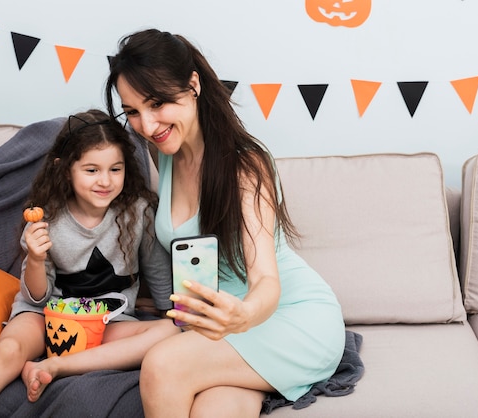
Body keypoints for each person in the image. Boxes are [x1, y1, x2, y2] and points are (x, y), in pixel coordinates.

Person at [105, 29, 346, 417]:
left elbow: (265, 278)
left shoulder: (246, 166)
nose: (147, 125)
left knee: (162, 364)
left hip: (286, 317)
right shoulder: (162, 150)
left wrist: (244, 315)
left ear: (193, 84)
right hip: (219, 326)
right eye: (133, 111)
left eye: (157, 103)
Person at [0, 109, 178, 417]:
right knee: (7, 351)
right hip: (44, 316)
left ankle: (56, 366)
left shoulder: (139, 211)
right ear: (66, 169)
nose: (105, 181)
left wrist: (166, 311)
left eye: (115, 169)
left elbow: (159, 276)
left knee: (170, 333)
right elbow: (35, 296)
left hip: (107, 321)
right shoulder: (47, 217)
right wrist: (37, 258)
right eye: (92, 170)